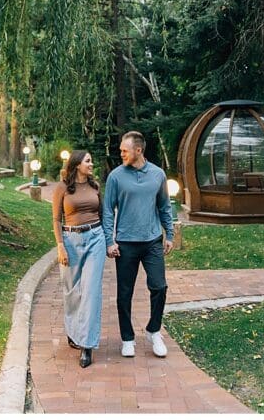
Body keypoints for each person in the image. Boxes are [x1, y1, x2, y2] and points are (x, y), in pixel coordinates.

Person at [101, 130, 174, 359]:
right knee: (124, 294)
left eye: (125, 150)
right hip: (125, 244)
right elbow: (107, 211)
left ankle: (154, 331)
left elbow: (164, 206)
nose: (121, 153)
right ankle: (127, 338)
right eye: (121, 150)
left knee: (159, 287)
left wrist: (169, 233)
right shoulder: (116, 176)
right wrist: (109, 241)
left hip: (152, 241)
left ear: (138, 150)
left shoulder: (157, 174)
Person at [51, 150, 105, 368]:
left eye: (91, 161)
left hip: (95, 237)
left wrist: (108, 240)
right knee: (72, 291)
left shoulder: (95, 187)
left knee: (90, 291)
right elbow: (56, 219)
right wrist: (60, 246)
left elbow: (102, 215)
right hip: (71, 240)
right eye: (88, 161)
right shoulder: (62, 187)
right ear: (76, 164)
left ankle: (87, 345)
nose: (91, 164)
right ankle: (74, 333)